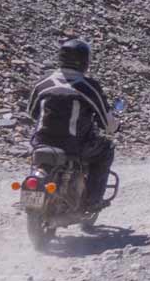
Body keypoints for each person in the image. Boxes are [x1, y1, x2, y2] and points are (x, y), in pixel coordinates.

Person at [26, 39, 118, 211]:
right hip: (73, 146)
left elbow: (31, 113)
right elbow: (107, 123)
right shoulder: (88, 87)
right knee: (106, 149)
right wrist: (114, 127)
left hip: (41, 143)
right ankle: (92, 201)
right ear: (85, 61)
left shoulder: (43, 83)